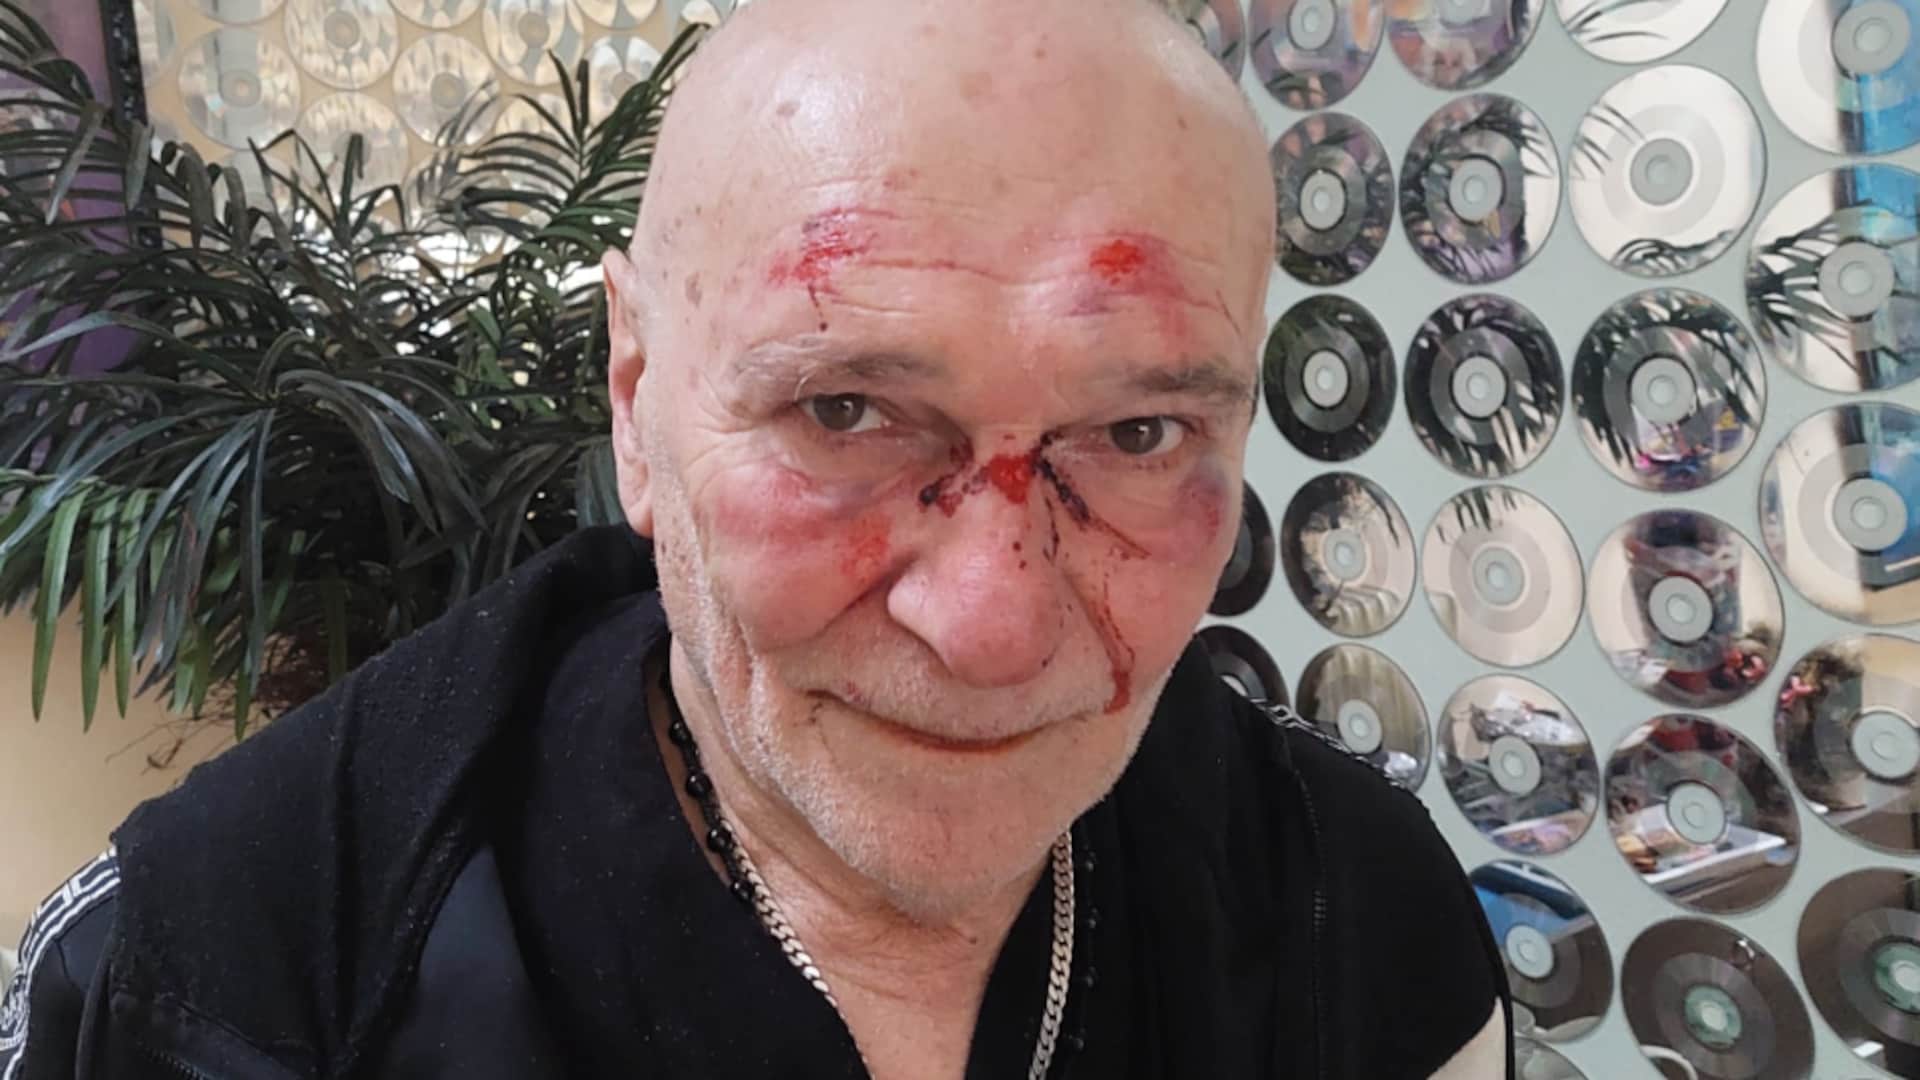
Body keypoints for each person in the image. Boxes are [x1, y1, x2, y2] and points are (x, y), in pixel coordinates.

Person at [0, 0, 1512, 1076]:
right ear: (636, 397)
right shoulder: (212, 987)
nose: (991, 628)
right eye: (846, 411)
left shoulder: (1359, 923)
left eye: (1137, 435)